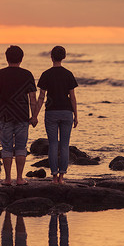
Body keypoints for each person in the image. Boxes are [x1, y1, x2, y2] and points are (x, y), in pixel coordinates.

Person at [0, 45, 37, 186]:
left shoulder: (0, 74)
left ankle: (8, 178)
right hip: (22, 116)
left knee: (6, 147)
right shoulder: (27, 74)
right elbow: (32, 98)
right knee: (21, 147)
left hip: (5, 116)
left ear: (6, 58)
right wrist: (34, 116)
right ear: (21, 58)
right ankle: (20, 178)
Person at [31, 46, 78, 184]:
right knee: (64, 145)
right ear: (64, 57)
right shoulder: (68, 74)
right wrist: (76, 115)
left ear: (51, 57)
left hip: (51, 112)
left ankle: (54, 177)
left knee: (52, 145)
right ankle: (62, 177)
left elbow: (41, 97)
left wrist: (35, 116)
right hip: (66, 112)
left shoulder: (46, 74)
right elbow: (73, 97)